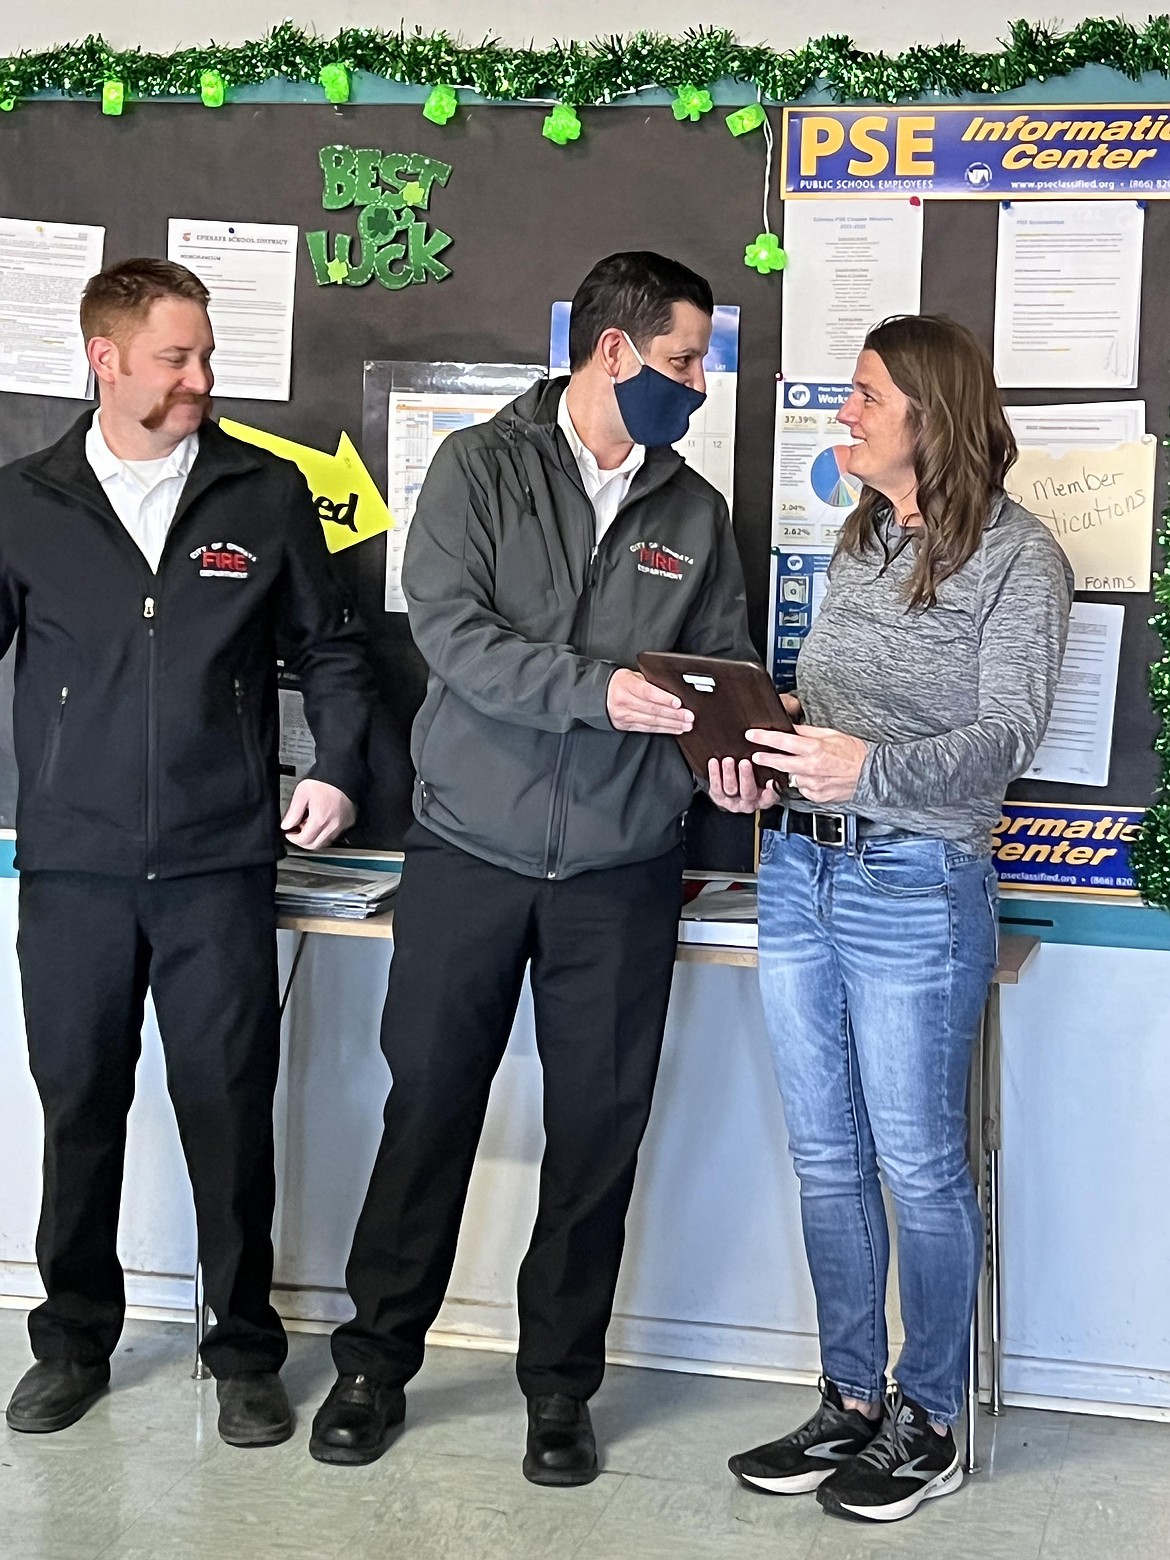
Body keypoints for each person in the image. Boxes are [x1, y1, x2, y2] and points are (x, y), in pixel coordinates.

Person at [310, 251, 755, 1483]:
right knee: (429, 1113)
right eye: (682, 360)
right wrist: (601, 694)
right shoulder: (477, 468)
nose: (698, 383)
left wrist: (725, 761)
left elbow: (718, 666)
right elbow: (453, 637)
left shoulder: (693, 511)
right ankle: (371, 1365)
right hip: (469, 852)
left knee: (596, 1136)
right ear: (614, 351)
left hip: (622, 869)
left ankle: (560, 1389)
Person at [0, 258, 369, 1448]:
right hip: (73, 868)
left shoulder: (263, 494)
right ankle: (71, 1340)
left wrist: (336, 768)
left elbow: (335, 655)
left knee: (227, 1110)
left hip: (219, 866)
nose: (202, 378)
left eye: (206, 355)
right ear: (106, 358)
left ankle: (244, 1349)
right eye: (178, 358)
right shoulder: (24, 500)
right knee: (79, 1112)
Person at [711, 315, 1072, 1522]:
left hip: (917, 885)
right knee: (826, 1159)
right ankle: (850, 1400)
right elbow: (840, 709)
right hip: (802, 876)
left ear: (930, 411)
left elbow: (1004, 738)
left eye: (864, 396)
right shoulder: (862, 534)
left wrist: (863, 771)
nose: (844, 415)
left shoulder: (1022, 558)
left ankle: (928, 1415)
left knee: (922, 1166)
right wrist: (765, 752)